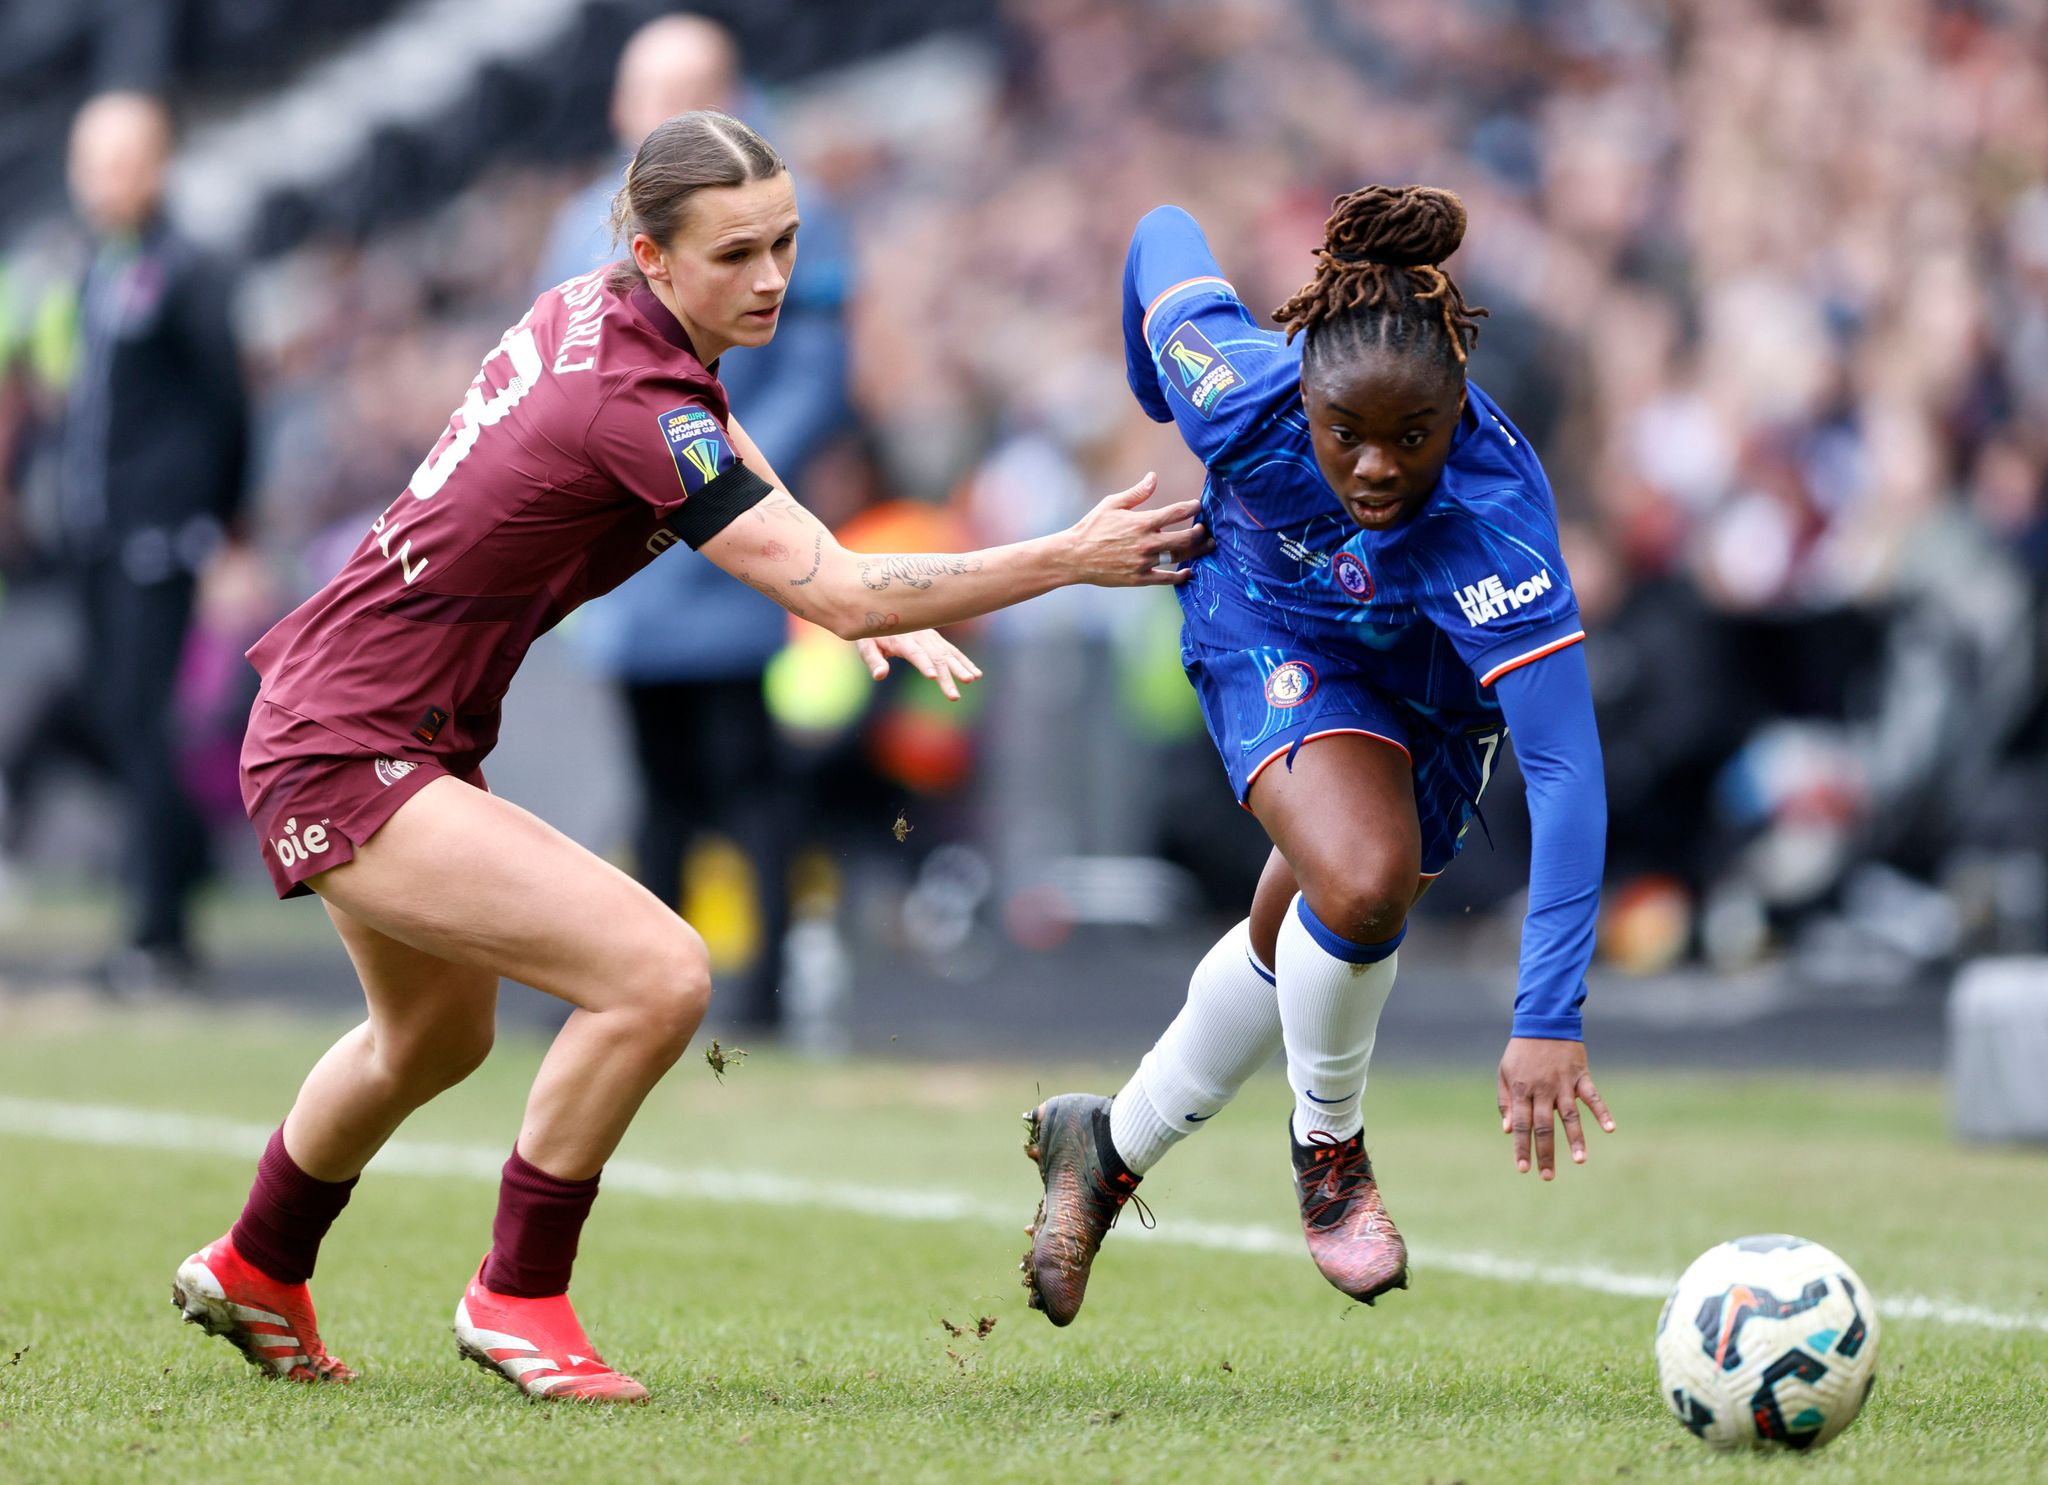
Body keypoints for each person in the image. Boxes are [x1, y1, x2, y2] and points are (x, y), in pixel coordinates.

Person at [168, 109, 1206, 1403]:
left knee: (429, 1037)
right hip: (350, 744)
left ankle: (260, 1264)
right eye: (733, 255)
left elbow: (732, 453)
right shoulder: (635, 403)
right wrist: (1061, 555)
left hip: (363, 717)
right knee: (657, 974)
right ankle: (517, 1297)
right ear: (656, 257)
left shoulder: (603, 311)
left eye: (782, 244)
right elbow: (830, 586)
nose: (768, 278)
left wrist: (862, 578)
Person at [1020, 188, 1614, 1325]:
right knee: (1361, 877)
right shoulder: (1236, 390)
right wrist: (1156, 390)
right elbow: (1156, 231)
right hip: (1266, 627)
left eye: (1413, 437)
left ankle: (1101, 1146)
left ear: (1460, 413)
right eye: (1344, 432)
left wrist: (1548, 1016)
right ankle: (1327, 1153)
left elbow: (1563, 773)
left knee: (1296, 939)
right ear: (1300, 393)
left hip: (1433, 712)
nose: (1378, 467)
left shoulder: (1498, 524)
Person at [535, 13, 855, 1030]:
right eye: (645, 93)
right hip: (622, 548)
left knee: (744, 769)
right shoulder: (587, 216)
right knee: (659, 776)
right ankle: (646, 980)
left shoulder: (779, 208)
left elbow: (815, 373)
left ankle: (763, 988)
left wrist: (722, 477)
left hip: (727, 535)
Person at [6, 93, 249, 986]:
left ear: (156, 164)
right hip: (97, 536)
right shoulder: (95, 271)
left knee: (144, 721)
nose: (103, 176)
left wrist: (222, 523)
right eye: (90, 159)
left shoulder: (184, 270)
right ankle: (168, 884)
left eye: (121, 157)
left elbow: (227, 402)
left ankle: (160, 930)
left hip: (156, 536)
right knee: (118, 718)